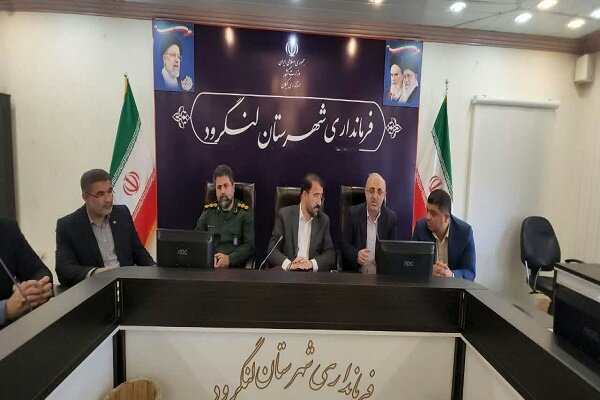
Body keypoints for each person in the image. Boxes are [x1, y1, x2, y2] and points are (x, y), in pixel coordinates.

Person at [56, 169, 155, 286]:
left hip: (126, 287)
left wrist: (154, 269)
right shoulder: (68, 225)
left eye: (110, 191)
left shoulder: (122, 214)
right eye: (100, 194)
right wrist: (95, 273)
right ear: (85, 197)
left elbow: (138, 251)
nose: (108, 199)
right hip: (95, 289)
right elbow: (64, 270)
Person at [267, 173, 335, 272]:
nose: (319, 202)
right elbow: (272, 250)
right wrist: (290, 265)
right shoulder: (285, 215)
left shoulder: (323, 220)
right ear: (304, 195)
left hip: (311, 275)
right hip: (288, 275)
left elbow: (330, 254)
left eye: (321, 197)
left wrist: (311, 263)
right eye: (316, 195)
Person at [195, 165, 255, 268]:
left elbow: (249, 246)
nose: (222, 191)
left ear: (233, 188)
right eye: (219, 187)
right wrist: (210, 257)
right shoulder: (208, 212)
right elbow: (196, 239)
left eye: (226, 186)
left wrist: (230, 259)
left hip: (235, 270)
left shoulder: (244, 213)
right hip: (210, 267)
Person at [412, 189, 476, 281]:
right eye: (427, 211)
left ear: (446, 217)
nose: (428, 217)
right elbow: (411, 264)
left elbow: (470, 273)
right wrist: (428, 270)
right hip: (427, 285)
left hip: (453, 287)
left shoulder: (465, 232)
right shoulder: (420, 228)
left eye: (433, 213)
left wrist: (451, 274)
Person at [1, 218, 53, 326]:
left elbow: (38, 270)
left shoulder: (6, 228)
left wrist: (36, 289)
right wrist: (5, 309)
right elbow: (8, 309)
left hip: (14, 328)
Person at [342, 173, 397, 273]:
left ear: (384, 195)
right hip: (357, 272)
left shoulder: (390, 218)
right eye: (371, 190)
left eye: (379, 192)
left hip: (380, 273)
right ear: (365, 192)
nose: (375, 196)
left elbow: (392, 250)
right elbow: (344, 244)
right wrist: (356, 255)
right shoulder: (353, 213)